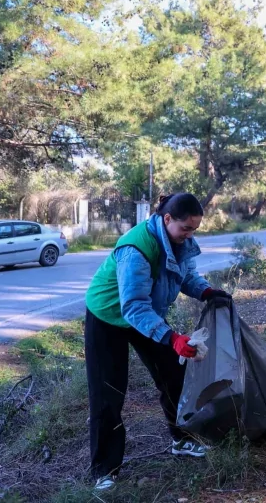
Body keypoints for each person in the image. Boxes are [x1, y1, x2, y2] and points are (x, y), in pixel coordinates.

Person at [83, 193, 231, 491]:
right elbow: (132, 306)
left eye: (194, 230)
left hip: (144, 313)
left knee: (173, 375)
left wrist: (205, 291)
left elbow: (186, 275)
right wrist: (172, 338)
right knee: (108, 393)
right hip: (109, 316)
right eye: (186, 229)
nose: (190, 235)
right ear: (167, 219)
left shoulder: (179, 242)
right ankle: (103, 470)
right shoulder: (135, 249)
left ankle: (182, 439)